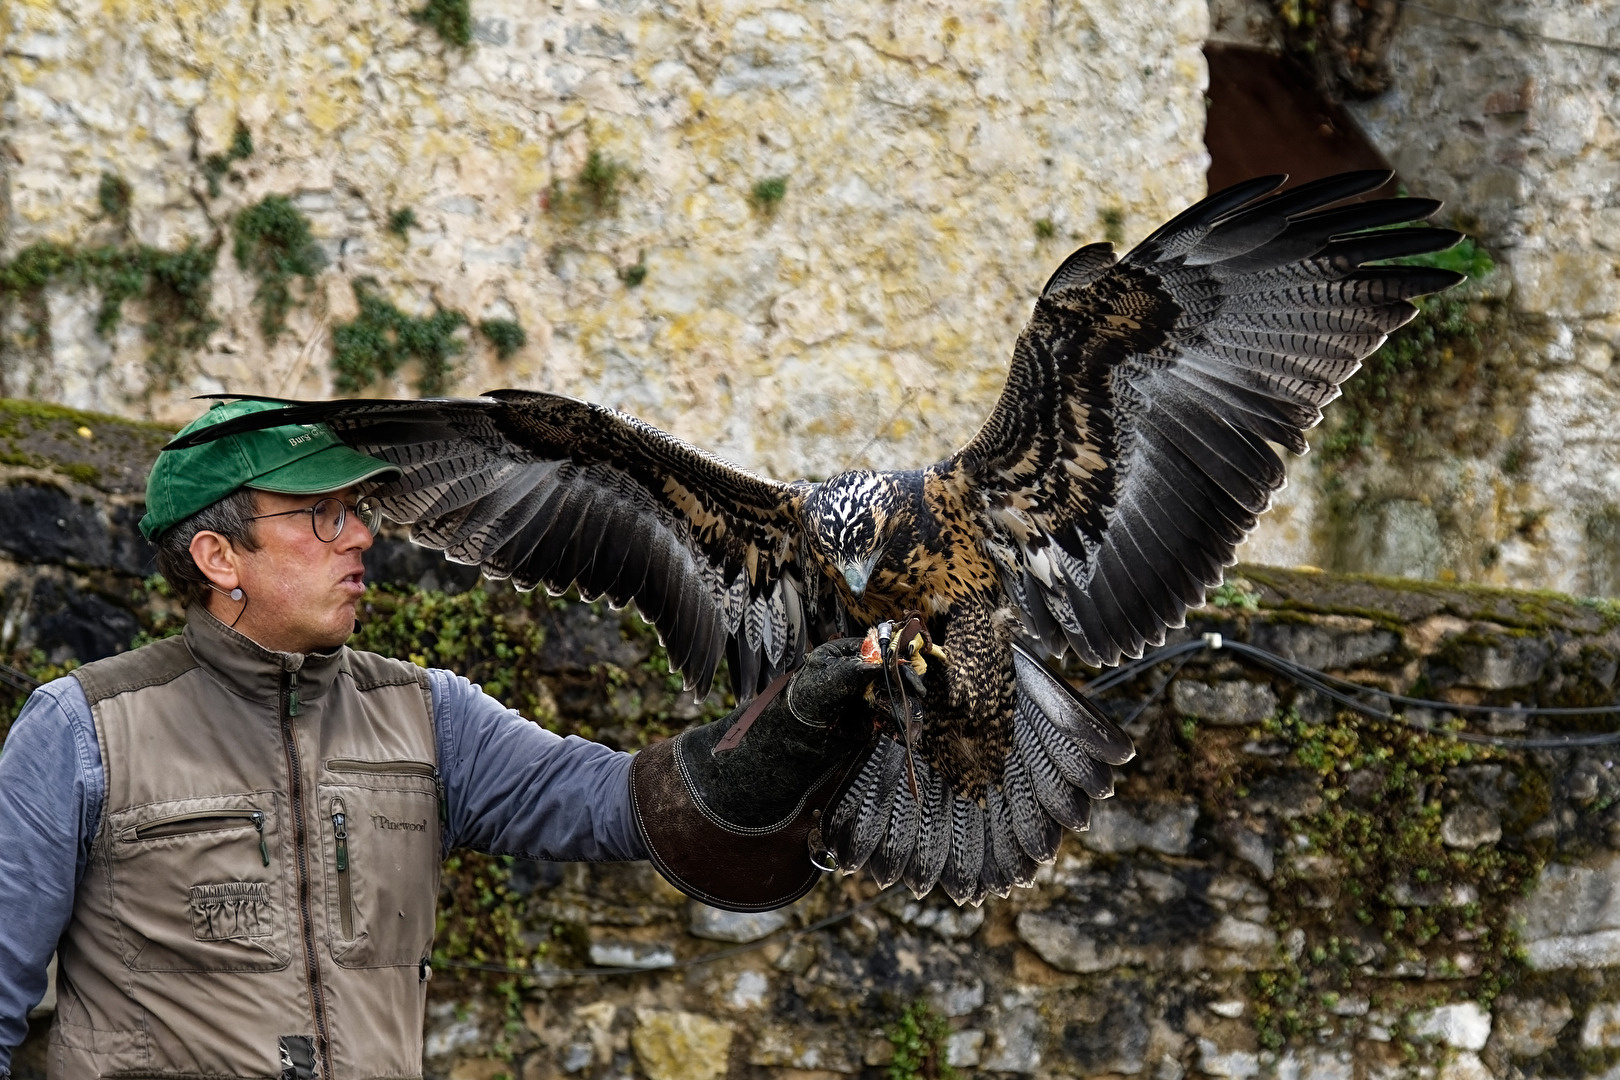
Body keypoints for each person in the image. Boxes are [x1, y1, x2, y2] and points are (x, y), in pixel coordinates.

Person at [0, 400, 877, 1079]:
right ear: (219, 558)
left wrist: (781, 733)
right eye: (322, 516)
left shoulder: (430, 717)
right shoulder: (82, 732)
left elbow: (614, 801)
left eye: (357, 508)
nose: (363, 537)